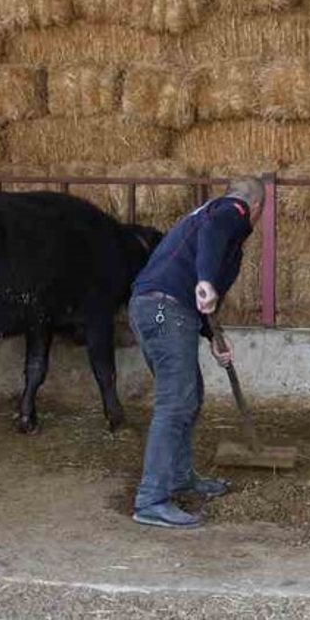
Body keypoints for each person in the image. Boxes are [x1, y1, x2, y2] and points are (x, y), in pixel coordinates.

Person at [127, 176, 265, 529]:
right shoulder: (230, 211)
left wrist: (213, 337)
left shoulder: (210, 219)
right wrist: (205, 280)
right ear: (257, 207)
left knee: (190, 394)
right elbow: (211, 240)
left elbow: (202, 301)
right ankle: (151, 499)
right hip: (164, 309)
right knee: (175, 402)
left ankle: (179, 477)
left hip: (159, 308)